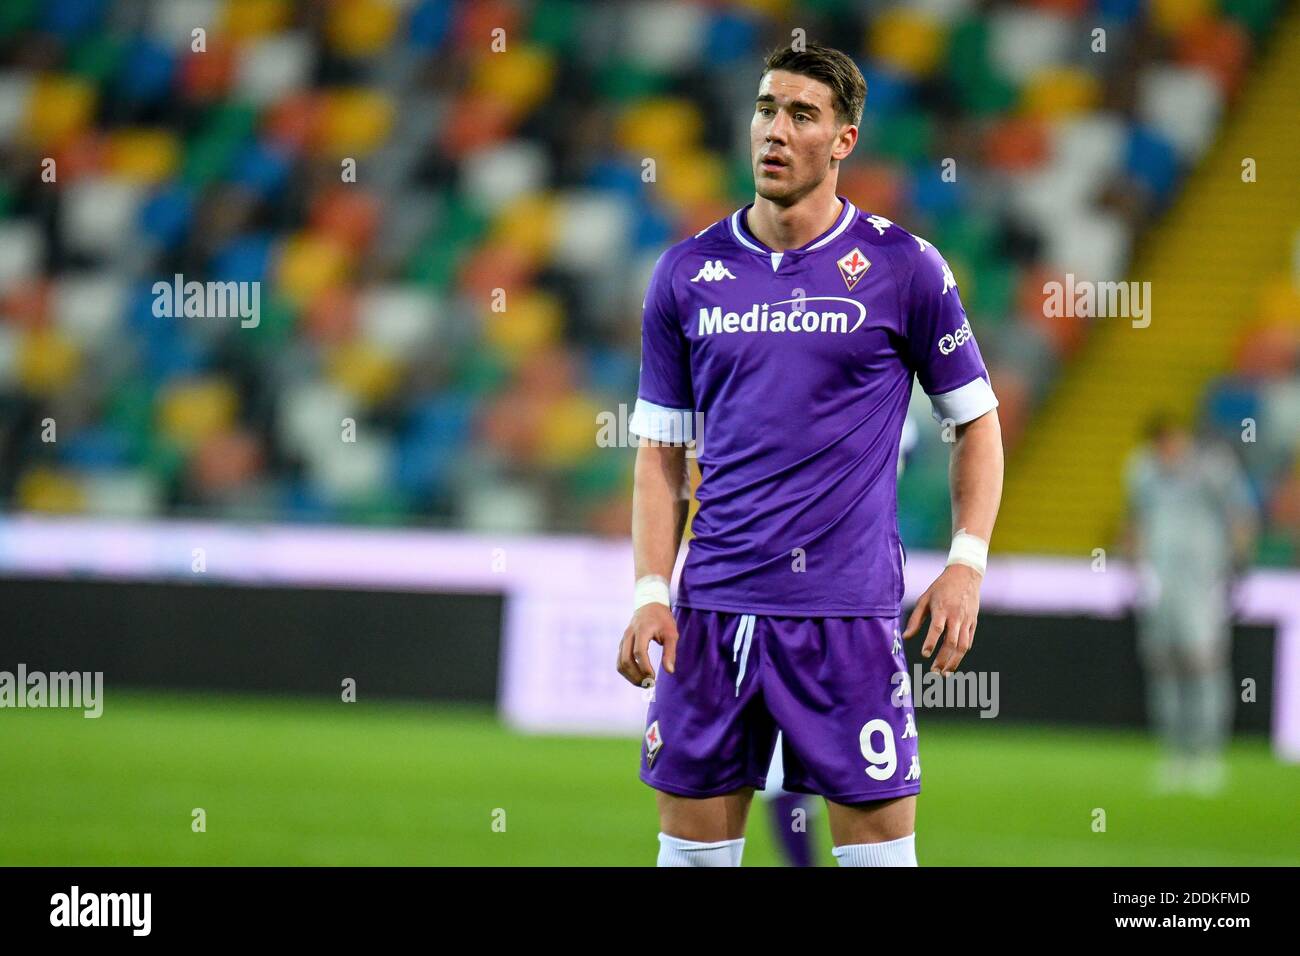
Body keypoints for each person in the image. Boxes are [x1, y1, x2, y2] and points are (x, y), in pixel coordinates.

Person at [616, 42, 1004, 867]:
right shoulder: (686, 273)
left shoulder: (905, 269)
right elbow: (658, 451)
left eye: (801, 115)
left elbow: (977, 422)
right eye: (765, 109)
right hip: (711, 616)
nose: (776, 131)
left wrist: (967, 563)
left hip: (847, 618)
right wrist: (652, 589)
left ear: (844, 140)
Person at [1123, 413, 1258, 797]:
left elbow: (1240, 513)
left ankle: (1208, 754)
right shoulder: (1143, 472)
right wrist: (1131, 562)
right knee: (1163, 663)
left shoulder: (1212, 468)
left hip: (1203, 581)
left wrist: (1238, 563)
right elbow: (1137, 519)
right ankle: (1174, 752)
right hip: (1160, 582)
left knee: (1203, 661)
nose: (1164, 452)